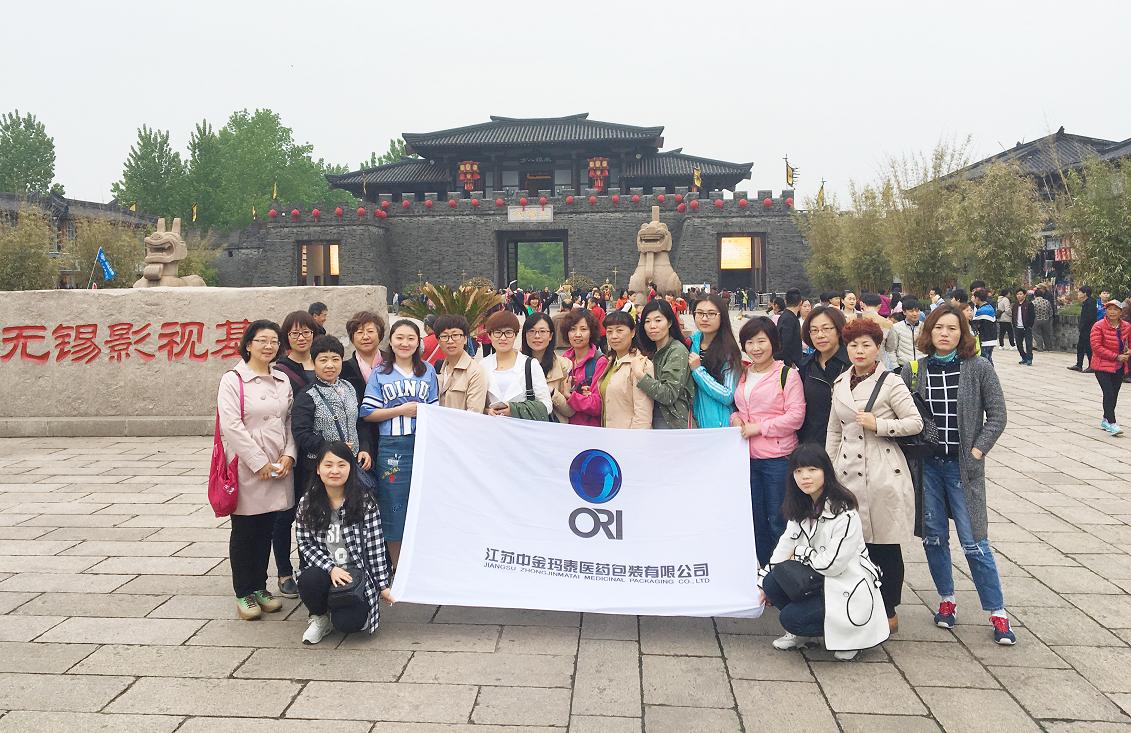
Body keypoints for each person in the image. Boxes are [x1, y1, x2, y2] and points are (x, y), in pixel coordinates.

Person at [903, 304, 1015, 645]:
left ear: (963, 334)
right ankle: (946, 599)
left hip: (962, 469)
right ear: (929, 332)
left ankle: (997, 612)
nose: (945, 334)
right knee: (934, 538)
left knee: (975, 542)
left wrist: (977, 451)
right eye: (939, 327)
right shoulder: (915, 370)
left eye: (952, 328)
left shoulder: (978, 368)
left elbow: (997, 415)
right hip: (928, 469)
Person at [826, 318, 923, 632]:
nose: (859, 350)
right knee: (854, 543)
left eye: (866, 344)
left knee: (884, 543)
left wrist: (879, 425)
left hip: (882, 470)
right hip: (846, 472)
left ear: (878, 348)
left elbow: (915, 422)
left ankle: (889, 607)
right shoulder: (840, 382)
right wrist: (829, 471)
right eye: (853, 345)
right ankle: (859, 604)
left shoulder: (891, 382)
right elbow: (834, 430)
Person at [758, 443, 889, 661]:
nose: (805, 477)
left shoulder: (845, 513)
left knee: (791, 617)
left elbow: (832, 565)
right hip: (819, 579)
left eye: (812, 469)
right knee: (772, 582)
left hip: (846, 584)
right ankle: (803, 633)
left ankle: (853, 638)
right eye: (798, 471)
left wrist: (801, 552)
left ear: (826, 472)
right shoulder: (801, 507)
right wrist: (760, 584)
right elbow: (784, 547)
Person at [216, 320, 296, 620]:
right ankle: (244, 591)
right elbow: (231, 426)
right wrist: (258, 462)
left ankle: (260, 587)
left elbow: (289, 422)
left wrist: (289, 455)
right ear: (248, 344)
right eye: (262, 340)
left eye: (274, 341)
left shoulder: (282, 379)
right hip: (248, 466)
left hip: (278, 465)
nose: (269, 346)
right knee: (245, 529)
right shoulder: (233, 380)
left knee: (267, 528)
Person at [295, 442, 394, 644]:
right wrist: (331, 568)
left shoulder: (365, 502)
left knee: (350, 624)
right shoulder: (308, 502)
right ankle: (320, 617)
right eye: (328, 465)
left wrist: (383, 586)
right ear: (318, 469)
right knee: (308, 579)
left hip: (355, 577)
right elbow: (305, 544)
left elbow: (375, 548)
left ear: (351, 468)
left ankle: (345, 611)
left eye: (341, 465)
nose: (335, 471)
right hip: (325, 572)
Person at [359, 319, 439, 571]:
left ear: (418, 343)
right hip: (392, 447)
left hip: (423, 444)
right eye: (399, 338)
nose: (405, 343)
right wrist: (401, 410)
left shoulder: (428, 371)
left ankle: (421, 562)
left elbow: (435, 410)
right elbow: (367, 412)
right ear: (391, 342)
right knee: (393, 504)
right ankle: (397, 565)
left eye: (410, 338)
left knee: (425, 502)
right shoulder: (380, 373)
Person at [731, 317, 805, 566]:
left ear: (773, 342)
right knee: (755, 521)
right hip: (747, 458)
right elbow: (740, 407)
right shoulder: (743, 373)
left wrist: (759, 428)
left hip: (777, 460)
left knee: (778, 521)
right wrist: (735, 418)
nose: (756, 348)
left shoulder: (787, 375)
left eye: (761, 341)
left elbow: (796, 417)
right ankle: (764, 571)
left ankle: (782, 573)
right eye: (750, 342)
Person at [266, 311, 318, 598]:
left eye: (306, 332)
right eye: (295, 333)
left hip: (320, 452)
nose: (301, 337)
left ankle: (312, 566)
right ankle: (284, 571)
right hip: (291, 448)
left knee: (316, 512)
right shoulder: (280, 370)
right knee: (285, 513)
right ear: (286, 337)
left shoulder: (323, 360)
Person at [481, 310, 553, 420]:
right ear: (489, 335)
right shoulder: (483, 365)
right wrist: (487, 411)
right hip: (491, 427)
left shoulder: (530, 365)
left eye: (508, 332)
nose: (503, 338)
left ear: (515, 335)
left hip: (521, 428)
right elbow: (475, 403)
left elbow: (547, 405)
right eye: (497, 332)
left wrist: (515, 410)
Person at [339, 311, 385, 480]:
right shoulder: (343, 369)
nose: (365, 337)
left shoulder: (393, 363)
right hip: (361, 440)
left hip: (391, 436)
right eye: (359, 332)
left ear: (380, 334)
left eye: (370, 331)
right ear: (352, 337)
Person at [636, 299, 695, 429]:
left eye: (658, 320)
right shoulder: (652, 351)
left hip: (673, 424)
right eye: (647, 321)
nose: (652, 326)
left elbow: (669, 394)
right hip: (653, 419)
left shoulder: (677, 351)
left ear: (669, 322)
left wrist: (640, 376)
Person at [798, 306, 850, 445]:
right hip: (814, 444)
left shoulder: (852, 364)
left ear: (839, 330)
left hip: (847, 444)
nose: (820, 335)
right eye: (814, 330)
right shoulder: (806, 366)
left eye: (826, 329)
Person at [689, 294, 742, 429]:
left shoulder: (729, 351)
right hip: (694, 421)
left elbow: (728, 395)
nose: (704, 318)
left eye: (711, 314)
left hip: (718, 423)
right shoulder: (692, 343)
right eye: (700, 313)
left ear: (722, 316)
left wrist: (698, 371)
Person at [598, 310, 654, 428]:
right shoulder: (611, 362)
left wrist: (633, 439)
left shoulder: (641, 365)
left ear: (632, 332)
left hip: (627, 436)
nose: (614, 336)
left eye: (619, 330)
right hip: (608, 434)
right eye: (609, 331)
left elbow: (643, 415)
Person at [521, 312, 574, 422]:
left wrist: (552, 392)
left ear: (551, 336)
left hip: (552, 427)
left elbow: (570, 411)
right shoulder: (516, 363)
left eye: (542, 331)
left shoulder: (564, 366)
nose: (537, 336)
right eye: (531, 331)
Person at [1090, 298, 1131, 436]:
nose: (1112, 312)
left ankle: (1105, 419)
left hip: (1119, 366)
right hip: (1102, 365)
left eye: (1115, 309)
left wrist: (1128, 352)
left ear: (1121, 312)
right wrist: (1116, 356)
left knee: (1114, 394)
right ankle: (1112, 423)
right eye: (1109, 309)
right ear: (1105, 311)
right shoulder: (1098, 326)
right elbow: (1096, 347)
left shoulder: (1126, 326)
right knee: (1108, 393)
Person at [561, 308, 608, 426]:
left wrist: (570, 396)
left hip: (589, 429)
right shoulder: (563, 360)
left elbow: (598, 405)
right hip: (565, 427)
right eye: (572, 329)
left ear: (591, 332)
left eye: (583, 329)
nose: (577, 334)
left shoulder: (599, 362)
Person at [435, 314, 488, 414]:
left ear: (465, 338)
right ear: (438, 341)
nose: (450, 341)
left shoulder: (475, 372)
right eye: (444, 336)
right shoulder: (439, 369)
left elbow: (474, 413)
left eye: (455, 335)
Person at [884, 296, 921, 372]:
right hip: (903, 367)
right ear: (904, 312)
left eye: (917, 311)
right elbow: (891, 350)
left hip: (921, 367)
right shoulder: (896, 327)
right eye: (911, 311)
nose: (915, 314)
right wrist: (896, 367)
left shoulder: (924, 327)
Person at [1069, 286, 1099, 372]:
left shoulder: (1090, 303)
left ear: (1085, 293)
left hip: (1088, 329)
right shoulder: (1086, 302)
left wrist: (1082, 325)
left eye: (1079, 292)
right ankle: (1079, 364)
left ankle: (1092, 366)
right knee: (1080, 347)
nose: (1078, 294)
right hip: (1084, 329)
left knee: (1088, 347)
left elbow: (1089, 317)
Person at [776, 288, 804, 368]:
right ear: (800, 302)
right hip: (790, 364)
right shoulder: (789, 319)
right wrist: (790, 363)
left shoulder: (785, 316)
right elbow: (786, 343)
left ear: (785, 301)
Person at [970, 288, 999, 365]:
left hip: (985, 340)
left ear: (977, 298)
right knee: (988, 360)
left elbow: (974, 325)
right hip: (992, 339)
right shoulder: (989, 307)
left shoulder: (982, 310)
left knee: (984, 362)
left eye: (974, 297)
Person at [1012, 289, 1035, 366]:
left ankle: (1029, 359)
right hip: (1017, 327)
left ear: (1024, 295)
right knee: (1019, 344)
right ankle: (1024, 357)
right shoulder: (1015, 305)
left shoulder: (1029, 304)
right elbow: (1013, 316)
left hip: (1026, 327)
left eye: (1021, 294)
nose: (1019, 296)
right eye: (1018, 294)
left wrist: (1029, 325)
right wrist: (1014, 325)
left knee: (1028, 344)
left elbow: (1032, 316)